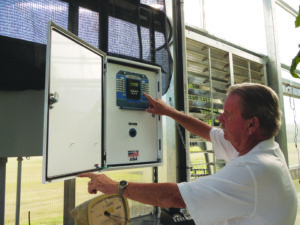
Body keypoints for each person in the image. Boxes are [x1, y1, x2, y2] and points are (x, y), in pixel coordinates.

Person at [79, 83, 298, 225]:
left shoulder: (253, 169)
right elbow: (208, 132)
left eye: (228, 115)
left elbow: (173, 197)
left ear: (252, 124)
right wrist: (168, 111)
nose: (220, 120)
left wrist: (112, 186)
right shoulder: (264, 148)